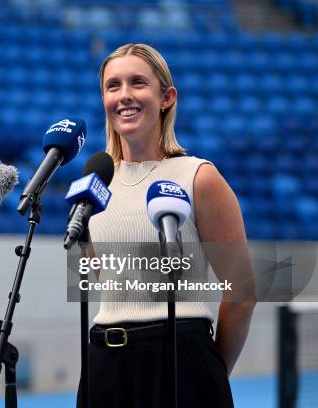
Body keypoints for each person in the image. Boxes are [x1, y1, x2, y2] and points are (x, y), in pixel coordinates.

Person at [80, 43, 256, 407]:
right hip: (105, 366)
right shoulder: (93, 184)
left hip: (182, 360)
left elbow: (241, 294)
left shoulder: (198, 177)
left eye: (138, 83)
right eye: (113, 86)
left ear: (166, 97)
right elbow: (108, 280)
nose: (124, 95)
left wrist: (205, 371)